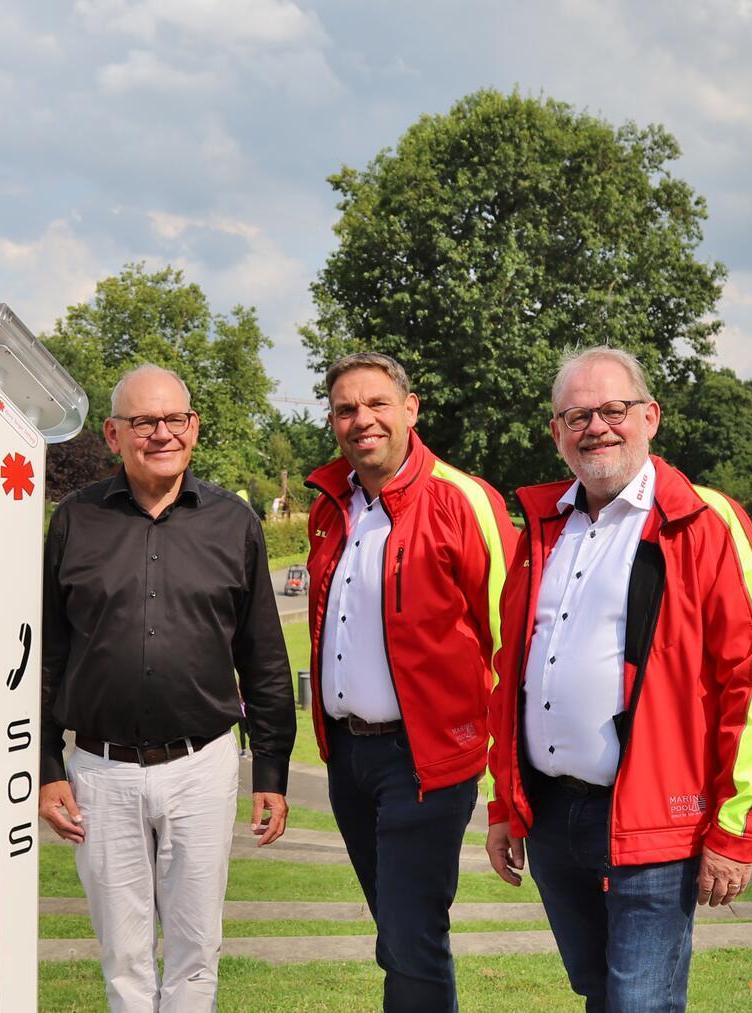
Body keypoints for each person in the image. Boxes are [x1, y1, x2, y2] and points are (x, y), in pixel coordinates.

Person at [485, 346, 752, 1011]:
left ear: (649, 416)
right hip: (554, 815)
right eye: (577, 415)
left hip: (658, 822)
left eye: (613, 410)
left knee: (639, 1002)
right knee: (598, 990)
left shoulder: (705, 524)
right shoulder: (541, 530)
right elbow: (512, 674)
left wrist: (734, 833)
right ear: (556, 431)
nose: (596, 426)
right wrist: (506, 805)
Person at [39, 363, 295, 1012]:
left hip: (201, 766)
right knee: (123, 957)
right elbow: (47, 649)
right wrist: (45, 765)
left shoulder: (233, 522)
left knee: (194, 949)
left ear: (194, 426)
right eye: (143, 421)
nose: (161, 433)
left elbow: (262, 651)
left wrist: (271, 769)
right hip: (99, 769)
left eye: (174, 419)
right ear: (113, 433)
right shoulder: (75, 519)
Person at [305, 352, 517, 1011]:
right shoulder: (330, 507)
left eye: (376, 404)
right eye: (345, 408)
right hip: (349, 758)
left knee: (413, 933)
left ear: (410, 408)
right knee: (397, 933)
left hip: (427, 760)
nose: (361, 419)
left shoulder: (463, 498)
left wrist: (509, 784)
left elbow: (513, 641)